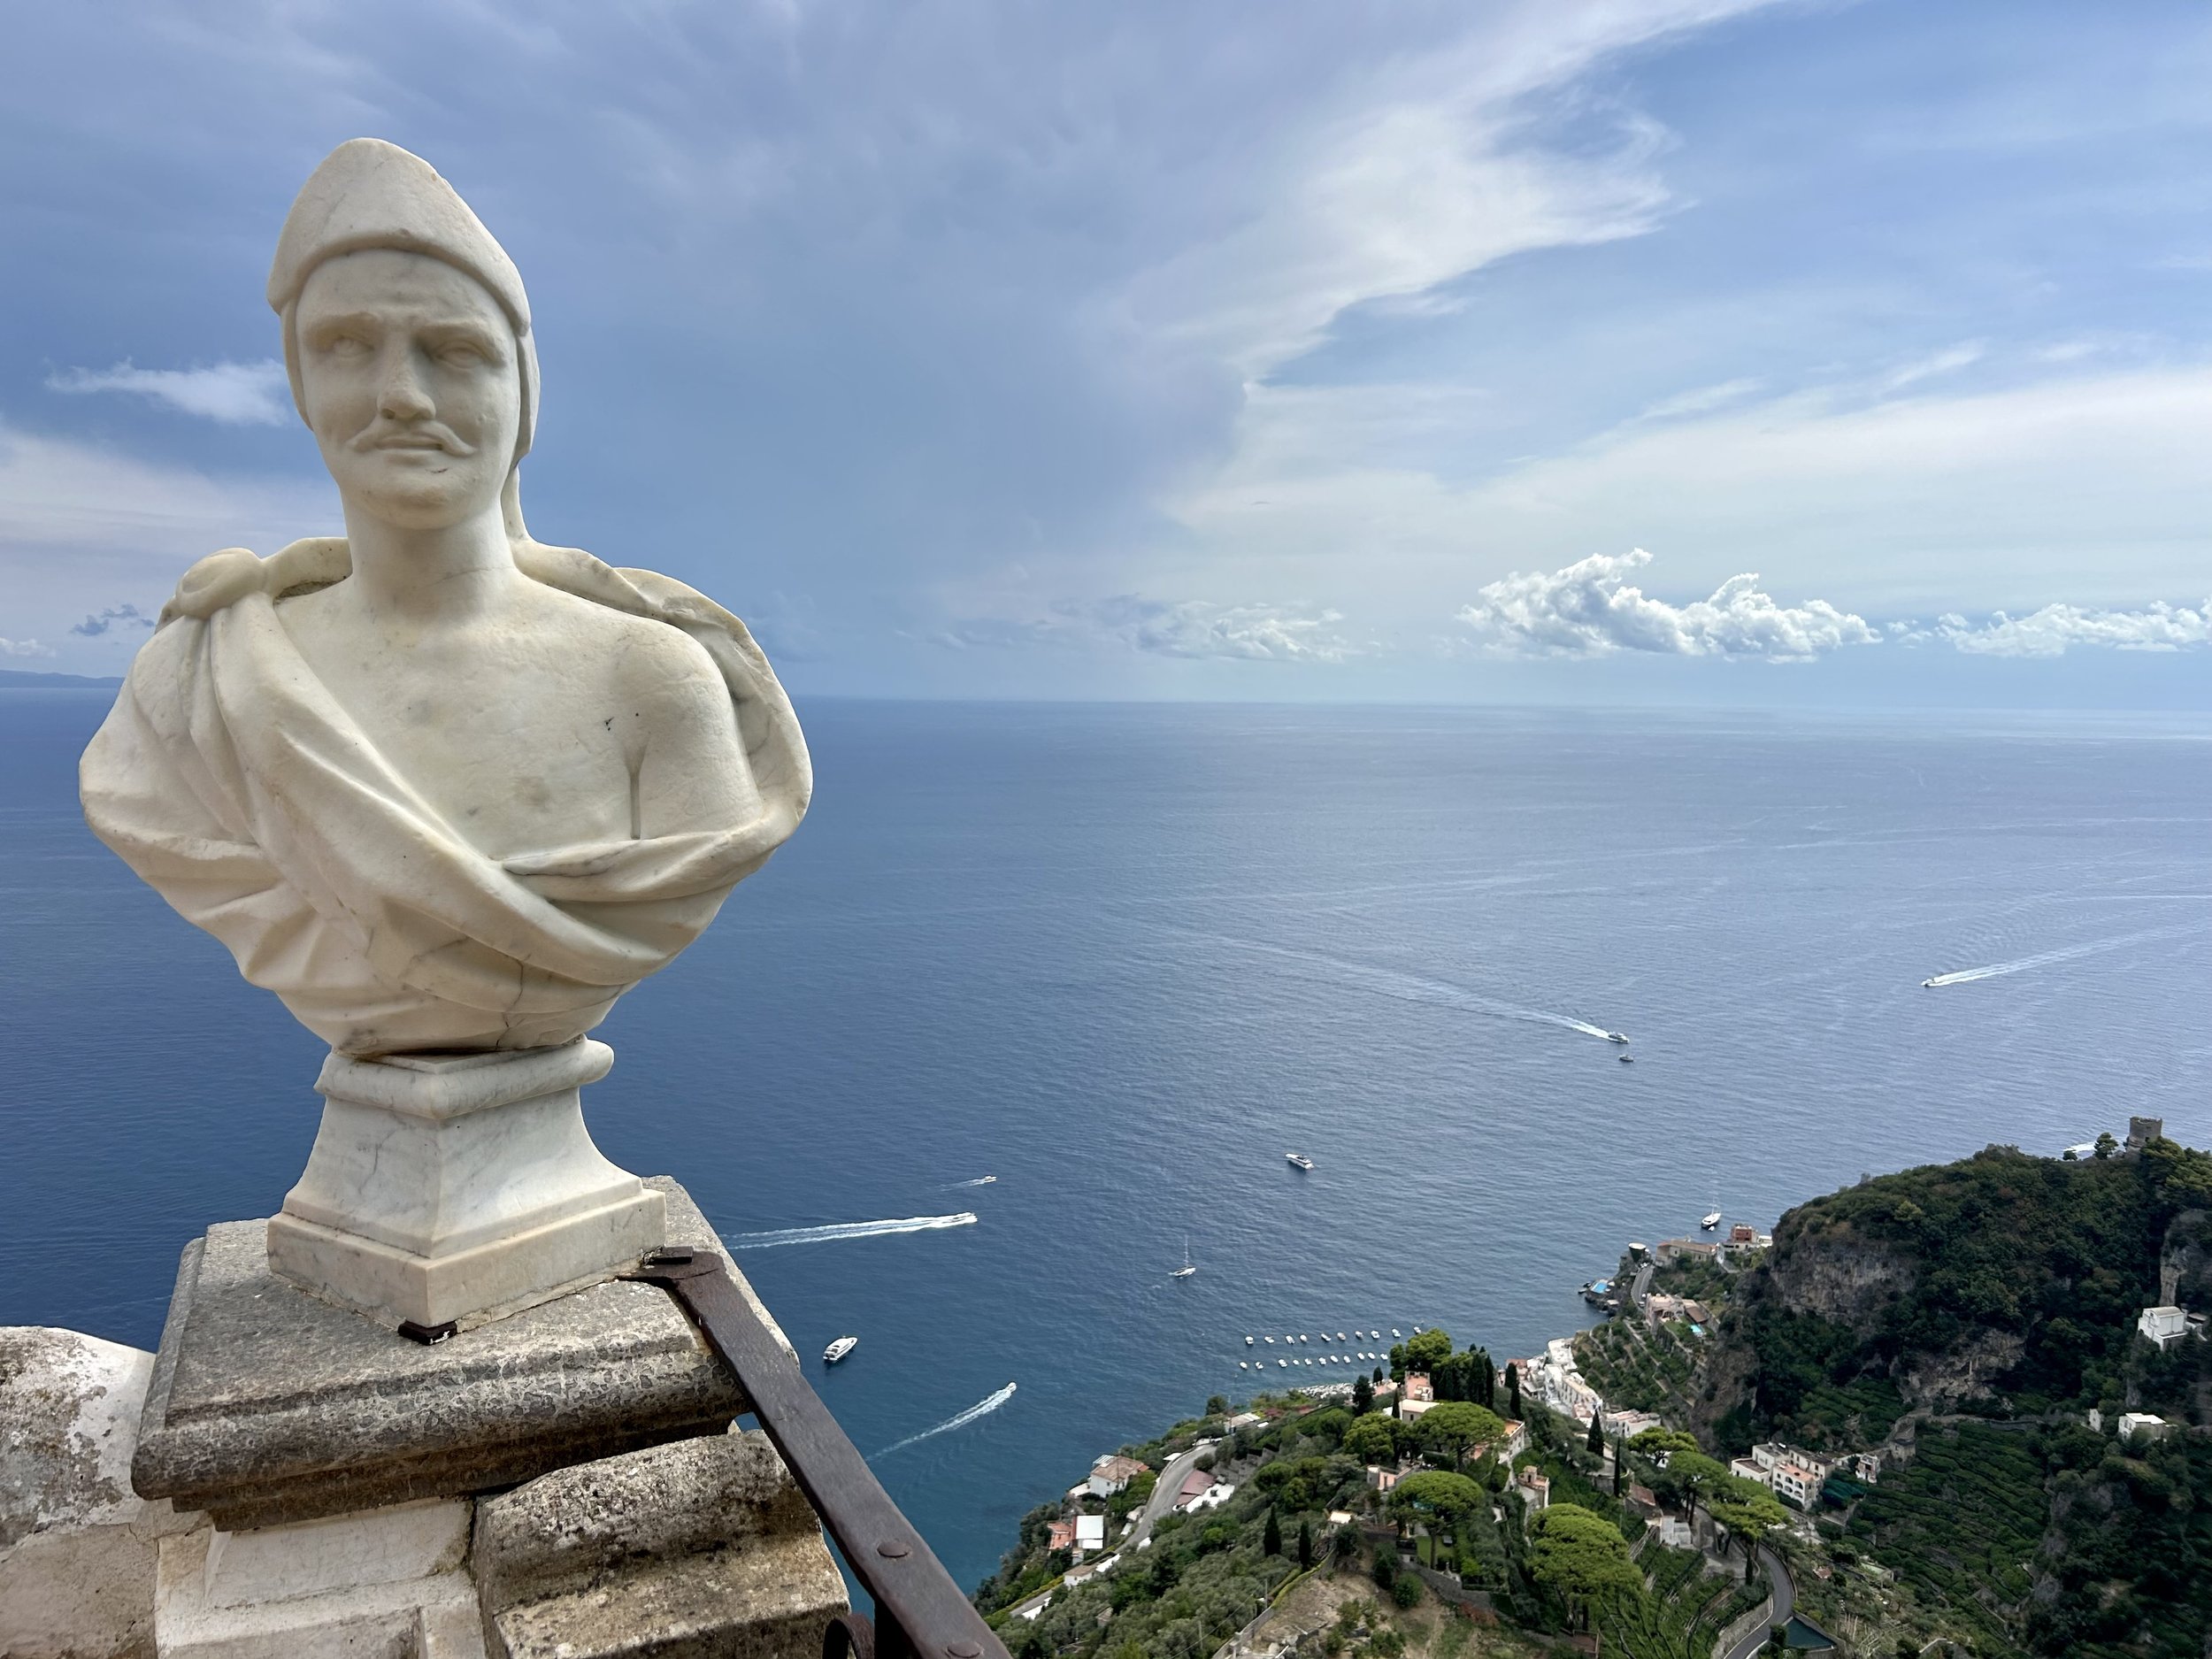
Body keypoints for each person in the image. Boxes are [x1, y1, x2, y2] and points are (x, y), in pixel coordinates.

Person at [81, 139, 809, 1056]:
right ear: (301, 385)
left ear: (523, 396)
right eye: (346, 346)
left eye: (456, 351)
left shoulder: (655, 678)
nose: (401, 396)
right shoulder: (197, 684)